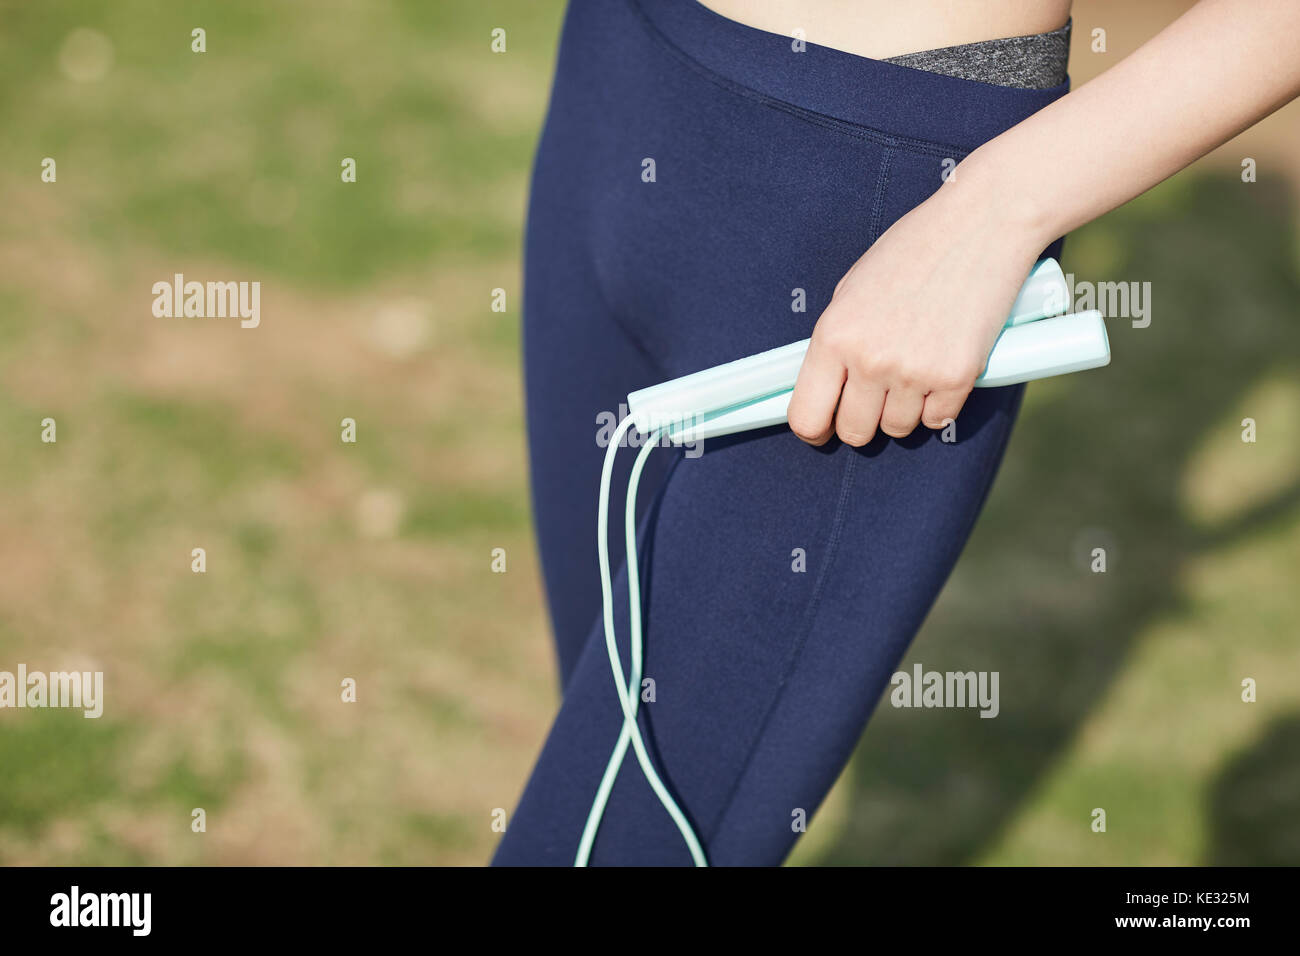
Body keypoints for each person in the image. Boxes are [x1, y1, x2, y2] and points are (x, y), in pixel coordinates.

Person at [493, 0, 1300, 865]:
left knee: (610, 830)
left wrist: (996, 211)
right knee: (599, 750)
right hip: (625, 67)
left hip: (874, 195)